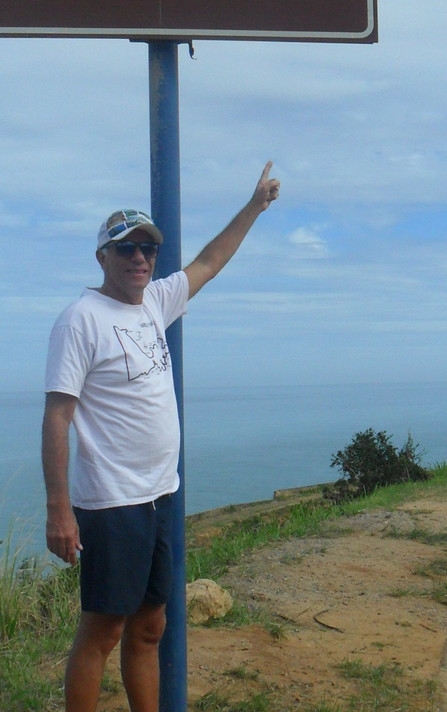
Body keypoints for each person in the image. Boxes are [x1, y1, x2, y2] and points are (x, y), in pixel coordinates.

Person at [41, 162, 280, 712]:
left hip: (159, 496)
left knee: (151, 626)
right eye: (127, 249)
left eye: (147, 249)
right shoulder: (81, 319)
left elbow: (210, 261)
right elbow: (57, 416)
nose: (140, 259)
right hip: (112, 503)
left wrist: (254, 206)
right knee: (102, 632)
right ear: (103, 256)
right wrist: (59, 509)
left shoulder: (155, 301)